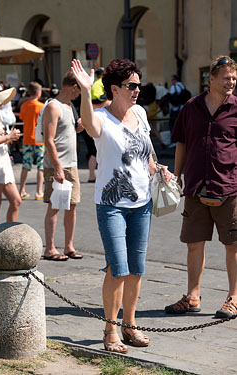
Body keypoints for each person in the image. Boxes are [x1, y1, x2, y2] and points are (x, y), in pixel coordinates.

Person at [71, 58, 172, 353]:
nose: (138, 90)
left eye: (139, 84)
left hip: (142, 202)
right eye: (132, 85)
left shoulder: (140, 112)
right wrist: (87, 92)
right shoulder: (102, 117)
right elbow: (88, 125)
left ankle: (130, 325)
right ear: (114, 89)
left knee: (136, 269)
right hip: (112, 203)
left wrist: (157, 168)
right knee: (117, 268)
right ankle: (110, 330)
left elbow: (146, 152)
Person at [165, 55, 237, 319]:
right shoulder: (191, 107)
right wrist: (178, 174)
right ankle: (193, 296)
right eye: (226, 78)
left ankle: (233, 297)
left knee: (234, 244)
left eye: (234, 79)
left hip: (229, 186)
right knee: (194, 243)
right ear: (212, 79)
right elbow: (181, 142)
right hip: (196, 186)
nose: (231, 82)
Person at [42, 71, 83, 261]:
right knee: (55, 205)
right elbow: (49, 140)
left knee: (72, 205)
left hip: (71, 163)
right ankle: (49, 248)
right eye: (79, 90)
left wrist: (78, 128)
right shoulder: (53, 106)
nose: (80, 94)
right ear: (74, 87)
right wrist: (57, 167)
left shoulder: (69, 106)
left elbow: (66, 132)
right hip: (57, 164)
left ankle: (69, 246)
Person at [0, 82, 21, 227]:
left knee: (16, 200)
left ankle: (9, 234)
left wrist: (9, 137)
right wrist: (8, 137)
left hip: (1, 158)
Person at [19, 82, 45, 200]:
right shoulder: (41, 106)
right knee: (40, 166)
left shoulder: (24, 106)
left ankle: (22, 190)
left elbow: (22, 117)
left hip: (27, 139)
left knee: (26, 165)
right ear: (38, 93)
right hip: (39, 140)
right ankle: (39, 192)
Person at [168, 74, 185, 147]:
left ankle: (174, 140)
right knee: (181, 124)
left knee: (173, 124)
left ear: (175, 80)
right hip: (182, 107)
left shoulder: (174, 87)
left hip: (175, 108)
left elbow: (171, 95)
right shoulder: (182, 86)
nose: (172, 81)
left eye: (172, 80)